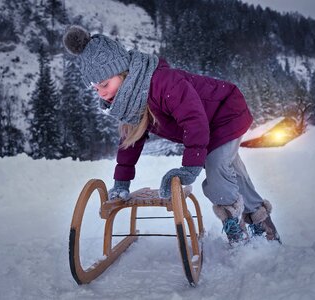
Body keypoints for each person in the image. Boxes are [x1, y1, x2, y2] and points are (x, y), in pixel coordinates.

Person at [63, 25, 280, 244]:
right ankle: (263, 225)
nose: (101, 93)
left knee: (216, 168)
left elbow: (194, 120)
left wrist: (189, 168)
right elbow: (130, 141)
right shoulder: (130, 102)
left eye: (104, 84)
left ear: (122, 72)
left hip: (226, 113)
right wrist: (121, 183)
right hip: (207, 124)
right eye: (95, 88)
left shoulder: (162, 82)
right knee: (230, 170)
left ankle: (238, 234)